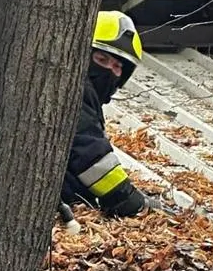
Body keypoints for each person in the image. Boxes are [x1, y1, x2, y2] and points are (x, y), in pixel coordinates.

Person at [62, 11, 154, 220]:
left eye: (117, 66)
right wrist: (129, 201)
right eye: (102, 59)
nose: (109, 71)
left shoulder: (88, 95)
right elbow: (89, 156)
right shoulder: (76, 90)